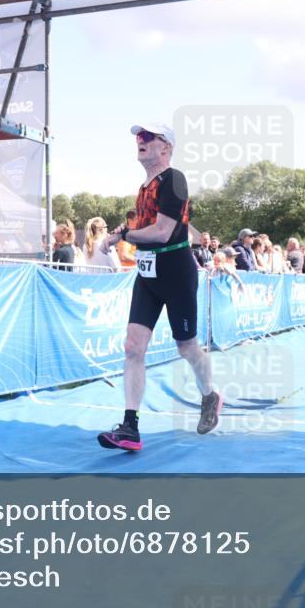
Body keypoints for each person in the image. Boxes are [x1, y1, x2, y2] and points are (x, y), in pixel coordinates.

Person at [96, 121, 221, 452]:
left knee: (187, 348)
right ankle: (130, 427)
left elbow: (163, 232)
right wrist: (116, 233)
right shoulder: (143, 187)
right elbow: (141, 225)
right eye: (138, 136)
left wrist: (122, 236)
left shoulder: (174, 179)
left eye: (148, 136)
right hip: (148, 274)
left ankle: (210, 395)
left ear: (165, 147)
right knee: (133, 346)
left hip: (176, 271)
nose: (140, 140)